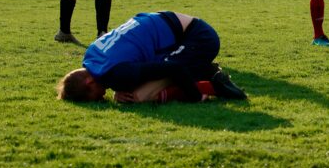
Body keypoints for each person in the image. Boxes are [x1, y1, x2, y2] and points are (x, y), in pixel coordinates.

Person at [56, 11, 246, 103]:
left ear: (89, 83)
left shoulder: (115, 74)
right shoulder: (92, 56)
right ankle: (203, 70)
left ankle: (213, 83)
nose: (101, 97)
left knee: (140, 96)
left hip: (199, 38)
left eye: (96, 97)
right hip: (179, 26)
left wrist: (197, 98)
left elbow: (174, 69)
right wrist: (118, 88)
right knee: (146, 82)